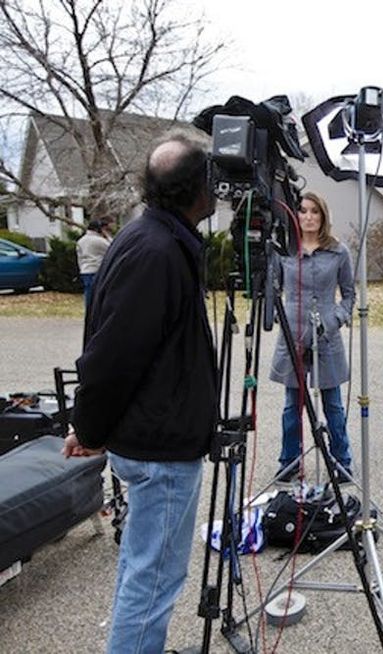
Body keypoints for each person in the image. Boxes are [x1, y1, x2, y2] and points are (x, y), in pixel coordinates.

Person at [62, 133, 217, 654]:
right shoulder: (155, 252)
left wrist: (91, 427)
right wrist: (88, 428)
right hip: (159, 450)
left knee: (140, 567)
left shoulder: (151, 238)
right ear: (198, 189)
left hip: (151, 439)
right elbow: (111, 357)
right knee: (153, 580)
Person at [269, 191, 355, 481]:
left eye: (314, 211)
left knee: (332, 404)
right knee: (292, 405)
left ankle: (341, 462)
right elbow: (273, 292)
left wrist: (334, 321)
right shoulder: (285, 250)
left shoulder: (338, 251)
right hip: (292, 337)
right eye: (303, 211)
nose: (308, 217)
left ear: (323, 216)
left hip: (326, 337)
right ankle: (290, 463)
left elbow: (349, 297)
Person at [76, 218, 112, 309]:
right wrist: (107, 236)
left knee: (89, 294)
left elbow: (79, 257)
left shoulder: (81, 241)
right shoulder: (99, 241)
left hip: (85, 270)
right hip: (97, 270)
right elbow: (113, 248)